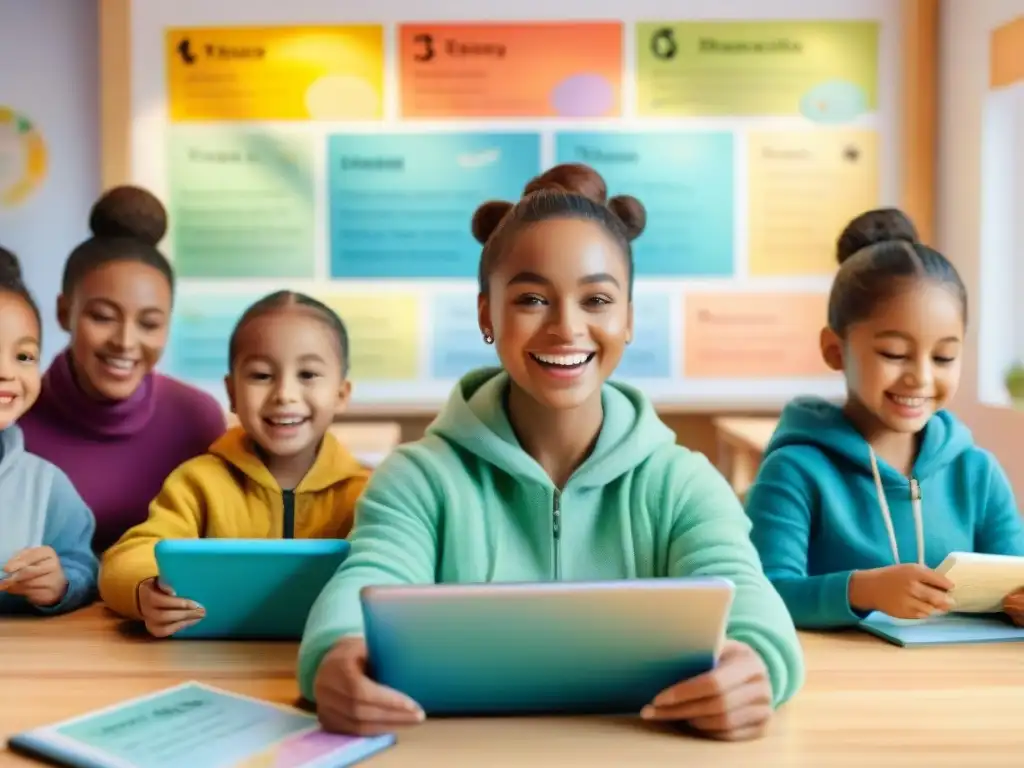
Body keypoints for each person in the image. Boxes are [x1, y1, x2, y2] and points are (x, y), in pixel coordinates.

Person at [297, 163, 804, 742]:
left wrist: (758, 667)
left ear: (629, 318)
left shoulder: (683, 482)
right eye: (533, 298)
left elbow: (749, 599)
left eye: (596, 299)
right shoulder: (417, 478)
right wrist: (335, 659)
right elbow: (366, 582)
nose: (567, 328)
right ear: (487, 313)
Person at [745, 208, 1024, 629]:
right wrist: (862, 590)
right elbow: (763, 593)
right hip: (850, 687)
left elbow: (1014, 581)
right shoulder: (795, 471)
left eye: (945, 357)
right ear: (834, 350)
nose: (921, 377)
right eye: (894, 353)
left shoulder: (977, 473)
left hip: (962, 686)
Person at [99, 290, 369, 637]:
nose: (284, 394)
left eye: (308, 374)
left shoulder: (368, 493)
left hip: (329, 658)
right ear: (231, 393)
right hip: (208, 663)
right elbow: (123, 560)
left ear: (341, 394)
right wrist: (145, 590)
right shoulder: (198, 483)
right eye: (261, 375)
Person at [19, 186, 226, 553]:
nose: (126, 342)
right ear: (65, 312)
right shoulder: (15, 411)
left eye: (149, 324)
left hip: (166, 607)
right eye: (103, 317)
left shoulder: (197, 419)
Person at [0, 247, 98, 615]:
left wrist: (60, 585)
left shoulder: (45, 485)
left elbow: (83, 566)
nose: (7, 372)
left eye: (23, 356)